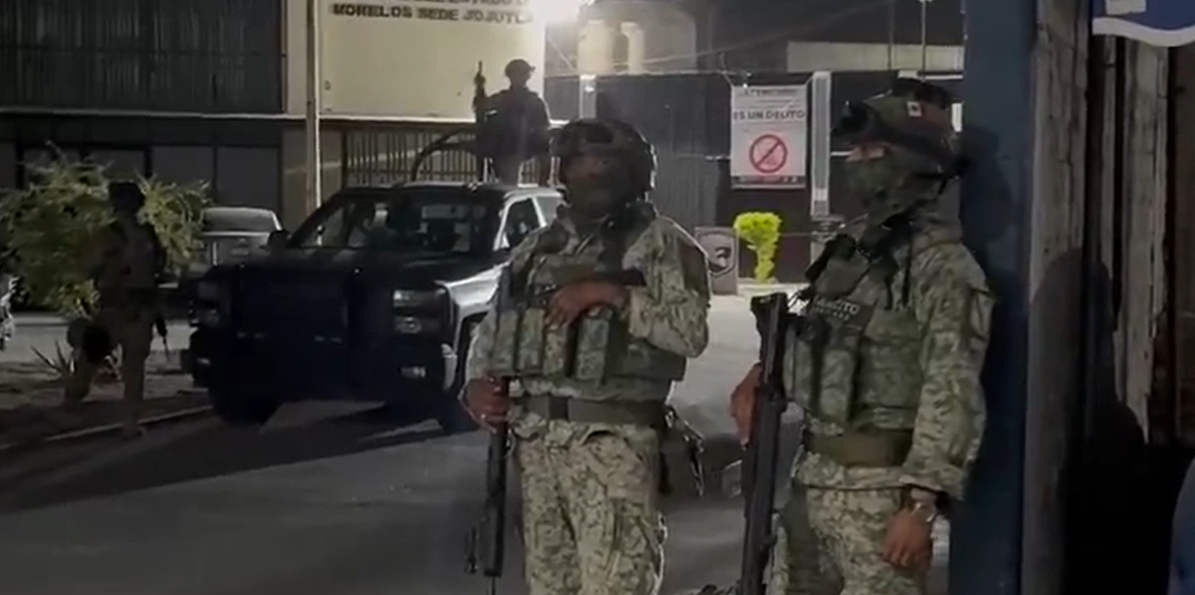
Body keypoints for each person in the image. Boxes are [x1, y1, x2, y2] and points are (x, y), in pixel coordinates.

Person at [729, 79, 991, 595]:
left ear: (914, 162)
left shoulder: (941, 265)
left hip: (881, 493)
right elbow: (818, 332)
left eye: (873, 152)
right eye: (855, 151)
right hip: (811, 480)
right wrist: (763, 373)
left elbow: (952, 385)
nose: (856, 162)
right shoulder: (851, 248)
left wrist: (921, 505)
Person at [461, 118, 712, 595]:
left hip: (611, 447)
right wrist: (475, 385)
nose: (585, 172)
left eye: (599, 161)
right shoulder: (538, 248)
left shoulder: (660, 242)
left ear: (628, 170)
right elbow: (492, 329)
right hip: (538, 448)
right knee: (548, 586)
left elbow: (689, 332)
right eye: (576, 162)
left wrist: (612, 295)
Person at [62, 181, 167, 438]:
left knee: (125, 366)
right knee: (100, 361)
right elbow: (87, 268)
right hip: (121, 309)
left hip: (130, 309)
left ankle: (122, 418)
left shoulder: (137, 235)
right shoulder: (122, 236)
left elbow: (86, 269)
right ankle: (78, 406)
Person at [475, 58, 552, 186]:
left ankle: (543, 182)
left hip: (512, 146)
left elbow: (481, 106)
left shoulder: (507, 98)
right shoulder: (532, 100)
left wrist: (480, 88)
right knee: (543, 151)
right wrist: (480, 88)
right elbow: (482, 107)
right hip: (510, 146)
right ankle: (543, 182)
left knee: (510, 179)